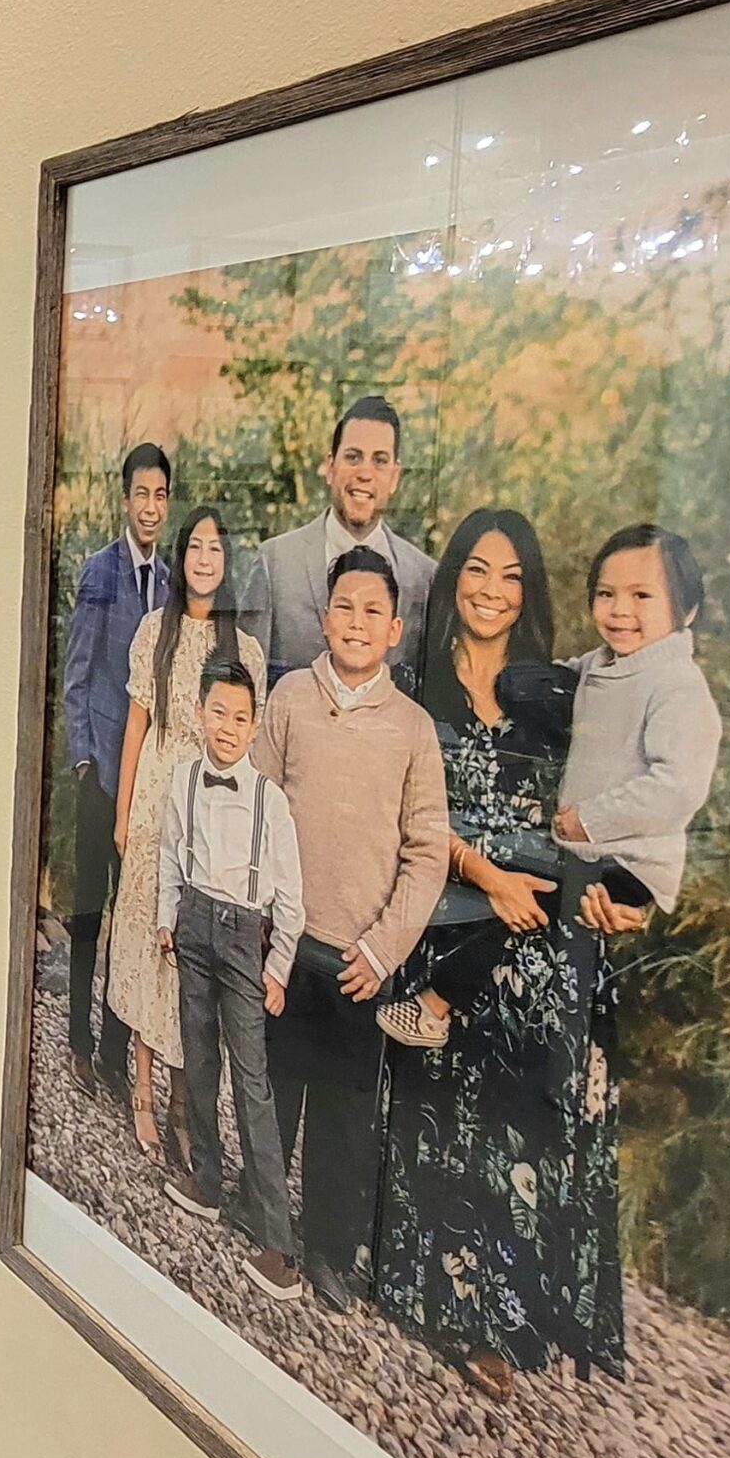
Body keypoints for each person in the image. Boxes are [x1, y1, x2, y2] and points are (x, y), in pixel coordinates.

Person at [373, 510, 641, 1395]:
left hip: (541, 922)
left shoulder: (555, 692)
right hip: (453, 909)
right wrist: (488, 879)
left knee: (524, 1120)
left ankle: (511, 1312)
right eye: (478, 571)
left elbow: (607, 807)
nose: (492, 589)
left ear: (530, 591)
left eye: (512, 575)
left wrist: (622, 893)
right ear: (452, 579)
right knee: (449, 1110)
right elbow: (411, 812)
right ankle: (442, 1300)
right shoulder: (416, 684)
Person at [254, 547, 449, 1312]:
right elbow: (259, 808)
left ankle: (332, 1249)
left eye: (374, 610)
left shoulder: (413, 729)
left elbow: (429, 852)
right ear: (324, 616)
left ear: (395, 628)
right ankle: (266, 1216)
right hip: (286, 942)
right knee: (274, 1088)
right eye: (345, 607)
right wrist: (265, 921)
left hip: (359, 959)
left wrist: (382, 947)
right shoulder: (291, 699)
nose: (357, 623)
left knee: (342, 1110)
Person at [104, 508, 266, 1168]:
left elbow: (248, 753)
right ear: (182, 557)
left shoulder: (244, 649)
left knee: (191, 962)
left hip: (213, 822)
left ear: (228, 561)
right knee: (148, 951)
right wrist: (123, 815)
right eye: (195, 546)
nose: (205, 557)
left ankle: (184, 1107)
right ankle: (142, 1092)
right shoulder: (155, 632)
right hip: (154, 809)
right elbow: (137, 729)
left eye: (216, 548)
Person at [155, 660, 305, 1297]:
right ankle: (208, 1182)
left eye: (241, 718)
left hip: (245, 937)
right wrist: (167, 918)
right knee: (197, 1059)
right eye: (218, 713)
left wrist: (278, 968)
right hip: (193, 922)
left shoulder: (270, 802)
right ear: (199, 712)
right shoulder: (184, 782)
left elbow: (291, 900)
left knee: (252, 1081)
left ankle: (279, 1243)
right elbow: (169, 853)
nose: (228, 728)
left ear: (255, 725)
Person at [60, 443, 173, 1098]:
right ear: (124, 498)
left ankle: (111, 1049)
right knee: (89, 915)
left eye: (160, 496)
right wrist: (83, 760)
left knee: (132, 924)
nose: (150, 507)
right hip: (101, 770)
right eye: (141, 495)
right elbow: (77, 673)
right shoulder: (101, 572)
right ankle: (77, 1038)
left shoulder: (171, 583)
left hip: (147, 783)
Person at [555, 522, 723, 914]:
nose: (620, 610)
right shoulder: (604, 662)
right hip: (582, 851)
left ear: (689, 611)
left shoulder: (677, 683)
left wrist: (589, 820)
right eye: (606, 594)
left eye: (642, 595)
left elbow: (677, 786)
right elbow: (572, 678)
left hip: (628, 863)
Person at [237, 394, 436, 677]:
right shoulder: (276, 564)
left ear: (394, 477)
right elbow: (244, 685)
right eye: (353, 457)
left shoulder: (423, 578)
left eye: (379, 461)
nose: (365, 473)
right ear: (331, 467)